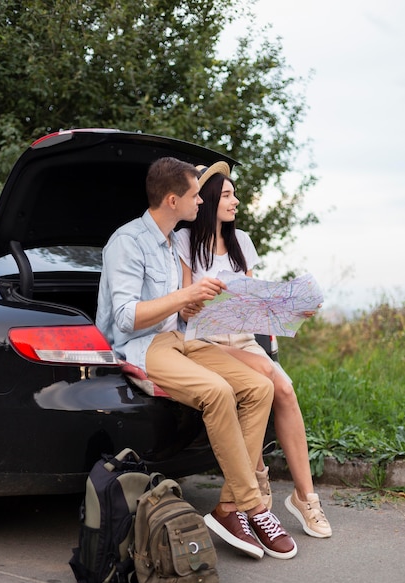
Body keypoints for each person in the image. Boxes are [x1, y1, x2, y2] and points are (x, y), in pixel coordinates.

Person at [96, 156, 297, 560]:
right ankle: (254, 506)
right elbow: (125, 317)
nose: (201, 202)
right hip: (145, 344)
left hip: (181, 338)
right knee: (218, 391)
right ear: (172, 200)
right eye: (194, 195)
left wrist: (196, 303)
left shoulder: (174, 242)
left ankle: (226, 507)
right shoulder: (127, 242)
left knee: (259, 388)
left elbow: (178, 311)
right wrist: (186, 297)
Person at [175, 161, 332, 539]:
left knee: (285, 389)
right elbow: (181, 306)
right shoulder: (183, 242)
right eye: (228, 195)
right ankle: (255, 486)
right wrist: (198, 300)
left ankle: (305, 497)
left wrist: (294, 309)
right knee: (261, 381)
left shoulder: (242, 241)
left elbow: (255, 304)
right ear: (211, 200)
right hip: (205, 341)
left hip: (242, 339)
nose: (236, 201)